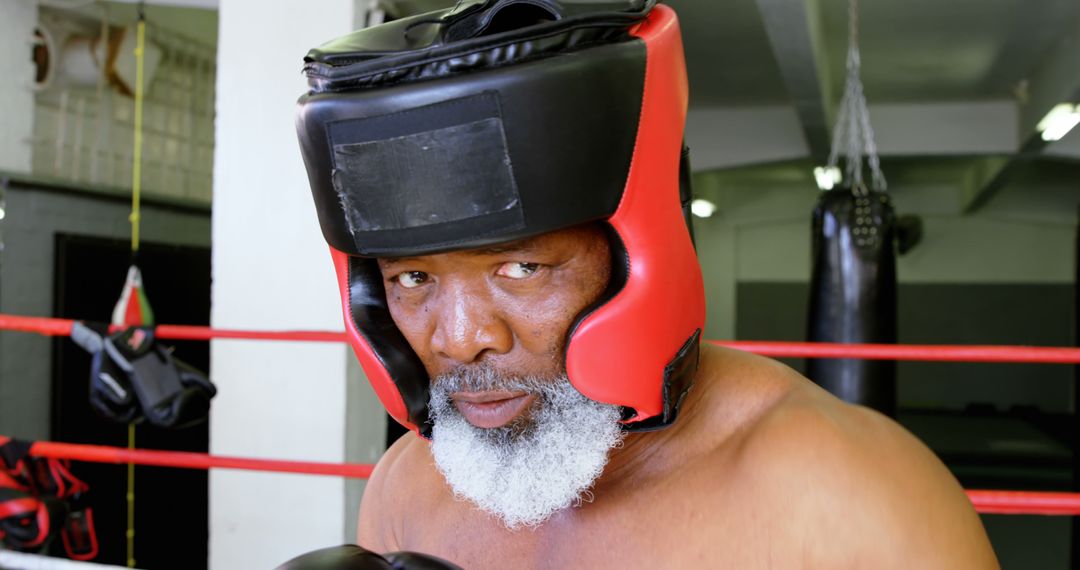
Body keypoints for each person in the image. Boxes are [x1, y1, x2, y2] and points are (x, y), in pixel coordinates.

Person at [288, 0, 999, 567]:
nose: (462, 339)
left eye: (521, 268)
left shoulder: (846, 492)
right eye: (412, 278)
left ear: (637, 252)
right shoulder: (406, 488)